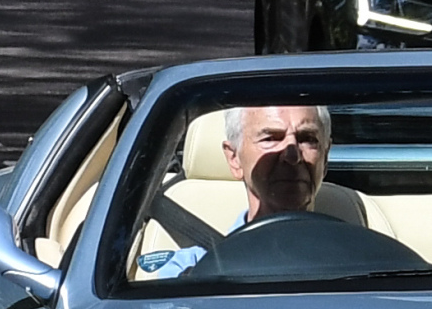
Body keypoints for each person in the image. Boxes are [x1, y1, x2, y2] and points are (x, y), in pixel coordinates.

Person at [140, 105, 330, 278]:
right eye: (270, 138)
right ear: (233, 158)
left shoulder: (355, 260)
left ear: (326, 156)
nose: (292, 155)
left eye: (307, 139)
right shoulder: (190, 269)